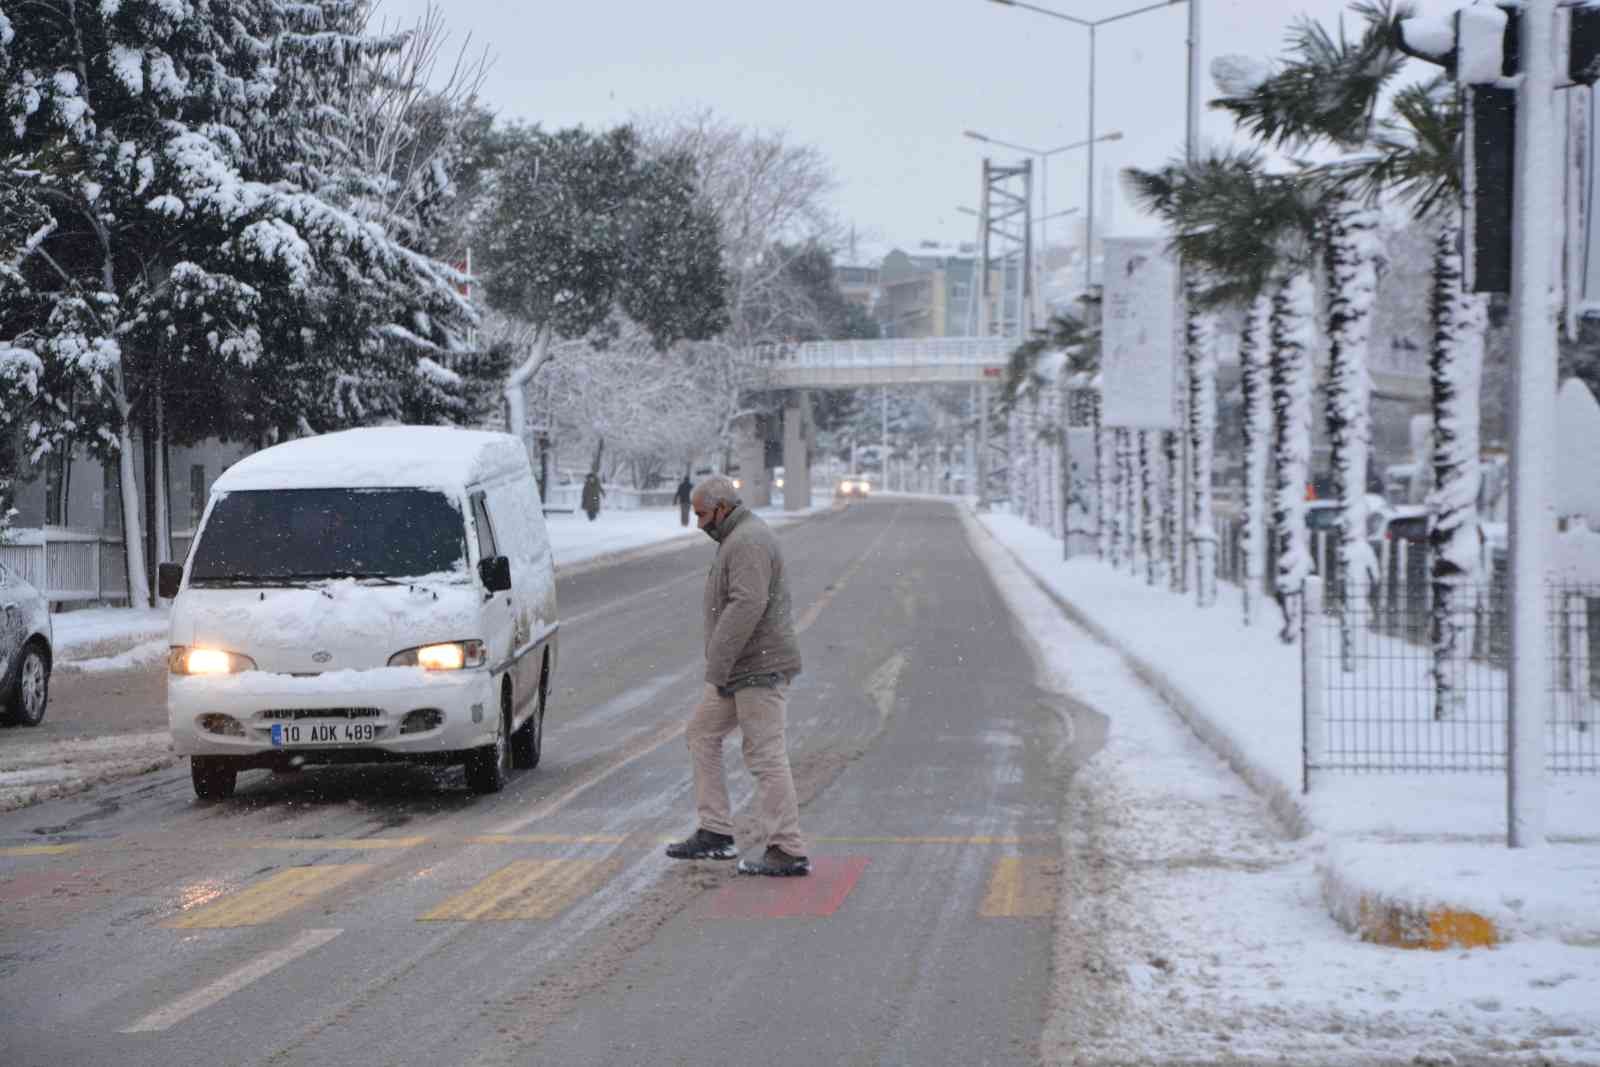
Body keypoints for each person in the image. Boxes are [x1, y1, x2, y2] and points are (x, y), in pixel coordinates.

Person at [666, 475, 809, 876]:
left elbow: (747, 603)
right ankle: (715, 832)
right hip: (741, 667)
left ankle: (788, 848)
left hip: (756, 667)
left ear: (723, 508)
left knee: (765, 755)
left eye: (702, 514)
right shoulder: (737, 537)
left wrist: (719, 664)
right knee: (702, 735)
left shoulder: (747, 540)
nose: (699, 524)